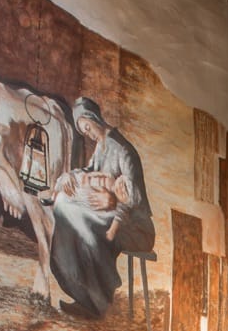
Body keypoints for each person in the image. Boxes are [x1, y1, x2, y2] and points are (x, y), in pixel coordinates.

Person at [49, 96, 155, 318]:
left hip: (135, 226)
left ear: (94, 118)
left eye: (87, 127)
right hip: (113, 216)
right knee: (65, 207)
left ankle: (98, 299)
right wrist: (68, 177)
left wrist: (113, 200)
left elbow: (133, 196)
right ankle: (84, 295)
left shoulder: (123, 149)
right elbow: (90, 171)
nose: (87, 134)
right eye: (83, 131)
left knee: (85, 223)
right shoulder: (102, 146)